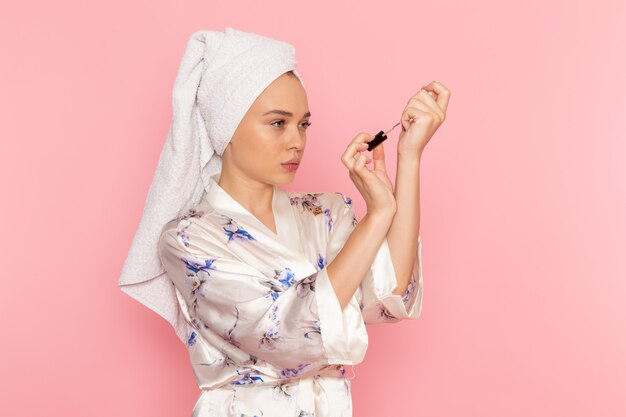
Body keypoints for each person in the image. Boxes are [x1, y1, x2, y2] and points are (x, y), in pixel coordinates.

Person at [118, 27, 449, 417]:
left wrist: (409, 158)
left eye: (303, 124)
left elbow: (389, 296)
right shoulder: (190, 240)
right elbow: (284, 335)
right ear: (227, 125)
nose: (297, 141)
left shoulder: (323, 213)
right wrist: (378, 215)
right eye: (278, 123)